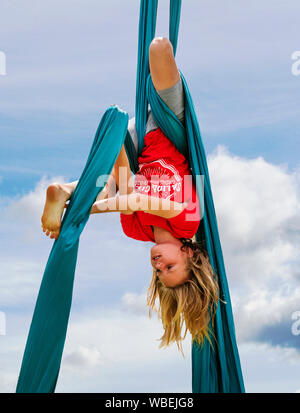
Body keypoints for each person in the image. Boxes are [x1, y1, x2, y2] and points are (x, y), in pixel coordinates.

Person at [41, 37, 219, 352]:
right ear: (190, 254)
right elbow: (138, 200)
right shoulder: (189, 223)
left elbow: (126, 180)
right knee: (158, 48)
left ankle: (65, 190)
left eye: (157, 272)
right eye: (169, 267)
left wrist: (116, 141)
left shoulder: (135, 230)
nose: (158, 265)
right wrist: (90, 211)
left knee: (109, 184)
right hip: (169, 126)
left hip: (137, 145)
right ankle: (72, 193)